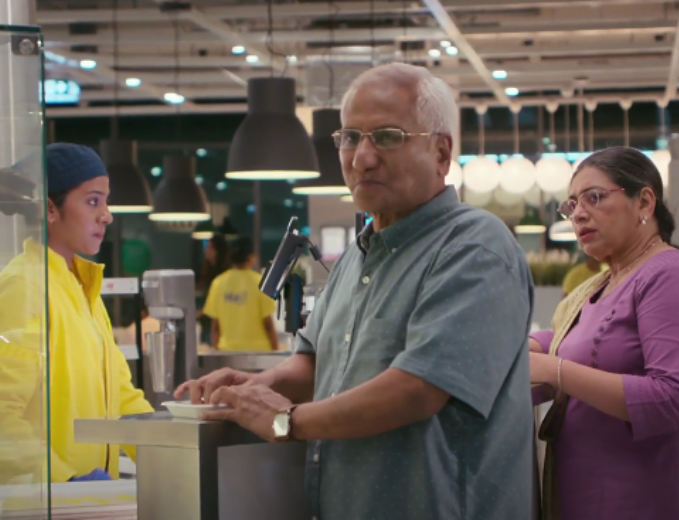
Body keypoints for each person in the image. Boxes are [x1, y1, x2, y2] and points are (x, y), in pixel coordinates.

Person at [175, 63, 535, 519]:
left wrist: (285, 420)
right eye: (349, 137)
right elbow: (317, 362)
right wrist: (255, 387)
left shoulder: (474, 246)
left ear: (441, 152)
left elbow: (418, 389)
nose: (361, 158)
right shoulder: (357, 256)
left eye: (386, 137)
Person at [0, 143, 154, 486]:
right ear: (49, 207)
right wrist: (67, 479)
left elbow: (121, 397)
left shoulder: (82, 288)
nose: (106, 215)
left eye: (106, 202)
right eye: (93, 201)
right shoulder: (22, 289)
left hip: (77, 502)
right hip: (21, 502)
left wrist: (172, 453)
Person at [529, 146, 679, 520]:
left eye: (594, 197)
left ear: (644, 202)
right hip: (586, 493)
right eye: (572, 204)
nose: (578, 213)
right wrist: (532, 345)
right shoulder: (605, 281)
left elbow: (670, 398)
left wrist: (554, 371)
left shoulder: (665, 274)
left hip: (637, 498)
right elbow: (579, 338)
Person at [202, 237, 278, 351]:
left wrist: (216, 351)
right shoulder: (260, 282)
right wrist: (275, 351)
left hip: (227, 351)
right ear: (251, 257)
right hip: (259, 352)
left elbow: (215, 327)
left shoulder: (218, 283)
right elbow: (268, 324)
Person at [196, 233, 230, 346]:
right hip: (207, 325)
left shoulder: (223, 277)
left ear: (217, 251)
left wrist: (202, 312)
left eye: (209, 247)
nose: (205, 250)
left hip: (220, 327)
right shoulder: (207, 271)